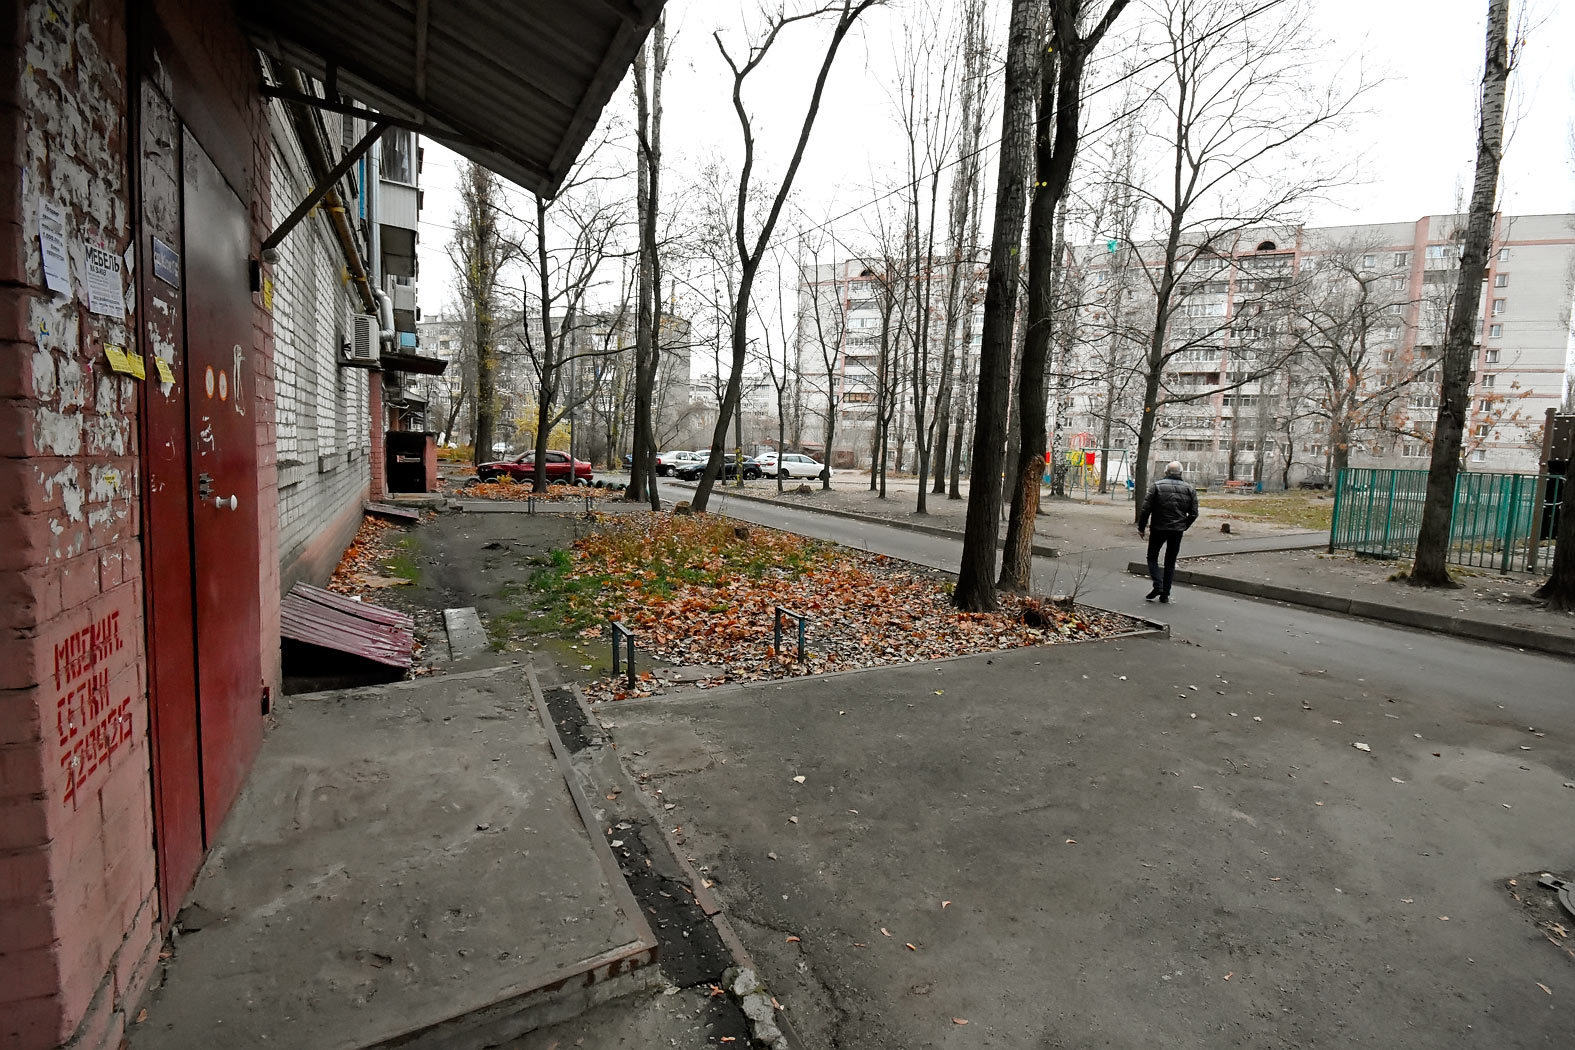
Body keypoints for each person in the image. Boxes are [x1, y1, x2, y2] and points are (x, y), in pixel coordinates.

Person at [1137, 461, 1198, 603]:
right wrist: (1184, 525)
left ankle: (1158, 584)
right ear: (1181, 473)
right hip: (1177, 531)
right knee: (1170, 560)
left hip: (1158, 528)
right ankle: (1165, 593)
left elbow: (1146, 509)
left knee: (1152, 557)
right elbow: (1194, 513)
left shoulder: (1156, 486)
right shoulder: (1189, 489)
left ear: (1166, 472)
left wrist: (1141, 527)